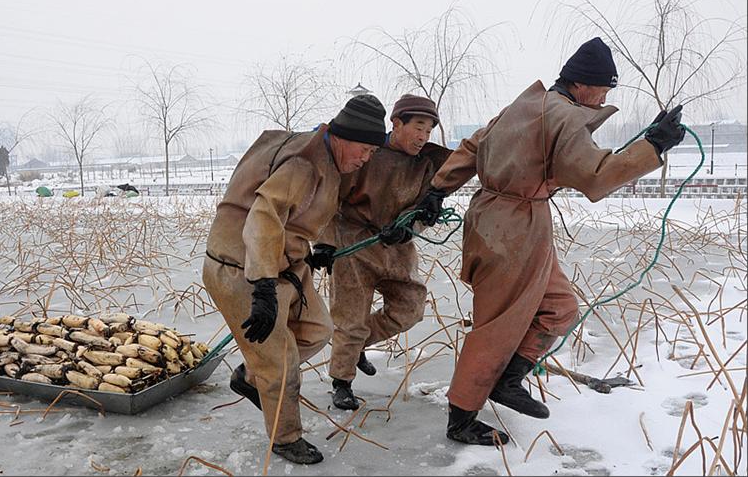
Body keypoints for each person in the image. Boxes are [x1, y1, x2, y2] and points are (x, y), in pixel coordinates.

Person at [415, 37, 686, 446]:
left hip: (505, 220)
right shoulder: (564, 115)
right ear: (582, 84)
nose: (604, 99)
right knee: (497, 324)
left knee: (559, 307)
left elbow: (473, 145)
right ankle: (461, 419)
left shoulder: (525, 105)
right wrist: (654, 146)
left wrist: (439, 188)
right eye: (603, 90)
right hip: (513, 229)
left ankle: (507, 379)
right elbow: (595, 176)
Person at [201, 95, 386, 465]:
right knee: (279, 361)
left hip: (287, 263)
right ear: (343, 137)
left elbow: (311, 211)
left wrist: (322, 246)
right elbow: (264, 217)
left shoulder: (329, 159)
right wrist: (263, 286)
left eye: (372, 152)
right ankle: (285, 438)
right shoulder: (303, 163)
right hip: (243, 266)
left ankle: (251, 376)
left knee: (318, 329)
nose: (366, 158)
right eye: (365, 149)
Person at [318, 94, 451, 410]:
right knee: (350, 318)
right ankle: (341, 382)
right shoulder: (366, 153)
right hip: (353, 244)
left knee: (411, 307)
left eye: (429, 131)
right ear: (396, 123)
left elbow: (424, 212)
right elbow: (329, 199)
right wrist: (324, 242)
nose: (423, 136)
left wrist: (411, 226)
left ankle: (356, 346)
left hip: (397, 249)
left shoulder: (427, 165)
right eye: (418, 127)